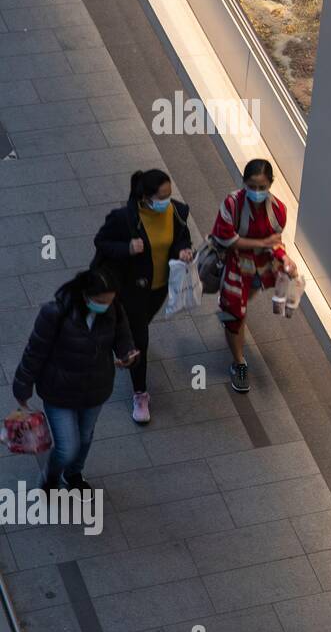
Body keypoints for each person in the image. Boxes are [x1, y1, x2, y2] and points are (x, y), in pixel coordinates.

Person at [11, 268, 138, 495]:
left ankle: (73, 475)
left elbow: (123, 337)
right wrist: (23, 386)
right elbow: (35, 351)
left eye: (109, 301)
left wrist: (127, 354)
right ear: (85, 295)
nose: (105, 306)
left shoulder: (114, 309)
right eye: (100, 301)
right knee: (68, 447)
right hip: (59, 392)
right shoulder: (55, 313)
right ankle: (51, 476)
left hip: (95, 389)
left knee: (86, 437)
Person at [92, 169, 195, 424]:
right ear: (146, 197)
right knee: (140, 338)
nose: (167, 201)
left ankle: (119, 338)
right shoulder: (125, 218)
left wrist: (184, 251)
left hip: (159, 288)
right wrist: (127, 248)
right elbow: (101, 242)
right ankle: (140, 393)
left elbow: (183, 238)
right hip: (132, 289)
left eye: (169, 195)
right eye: (162, 197)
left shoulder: (177, 212)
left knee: (136, 328)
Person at [211, 159, 297, 393]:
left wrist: (285, 258)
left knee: (241, 307)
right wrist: (263, 242)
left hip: (261, 269)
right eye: (252, 186)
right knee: (234, 314)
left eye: (262, 187)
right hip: (236, 266)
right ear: (244, 183)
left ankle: (236, 321)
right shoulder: (232, 204)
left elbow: (275, 243)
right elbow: (225, 239)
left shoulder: (278, 210)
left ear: (270, 184)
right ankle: (239, 361)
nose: (257, 192)